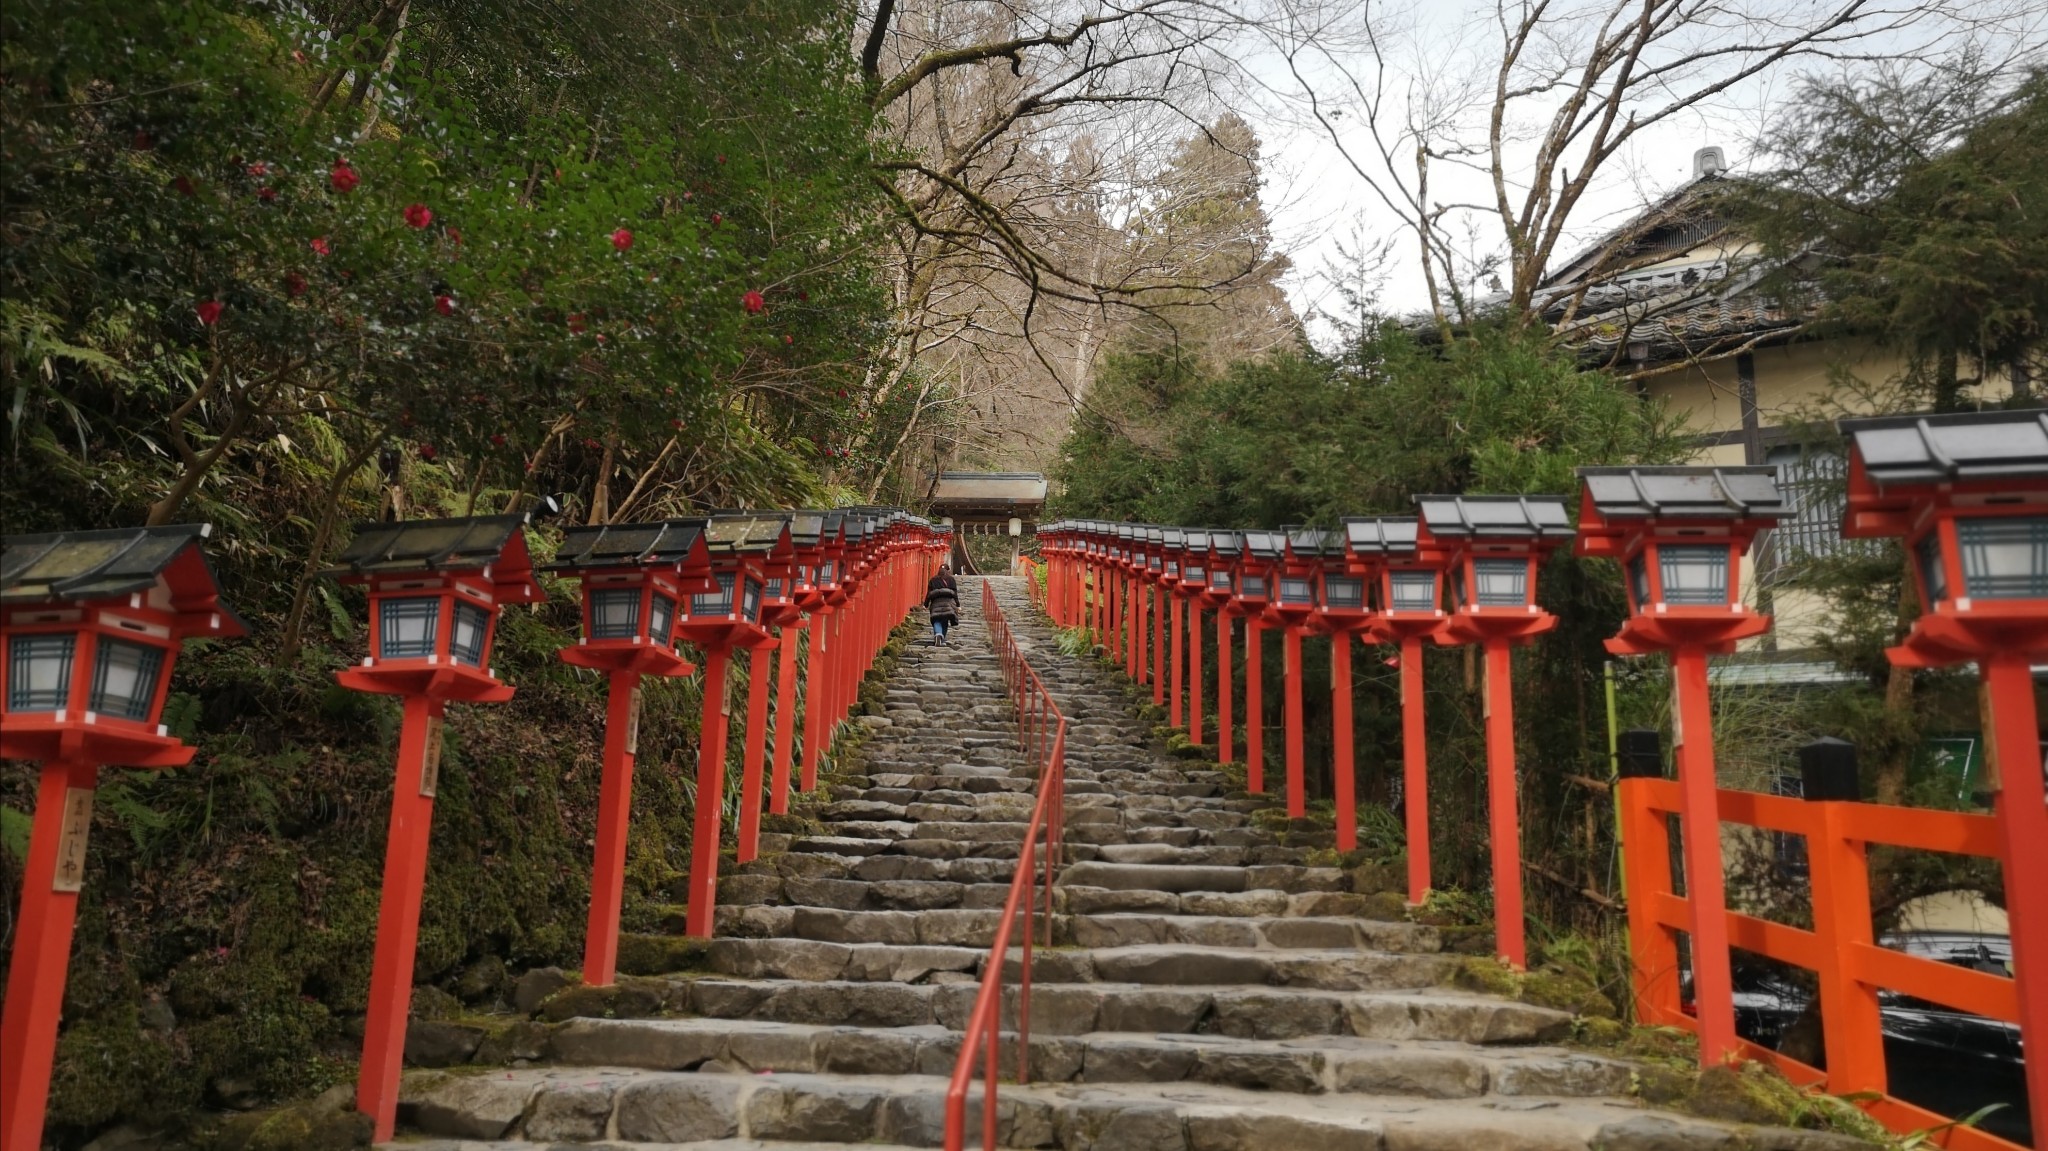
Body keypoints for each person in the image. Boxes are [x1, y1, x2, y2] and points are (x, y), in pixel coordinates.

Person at [925, 565, 960, 643]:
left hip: (935, 603)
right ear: (948, 571)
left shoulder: (933, 580)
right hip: (948, 603)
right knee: (945, 620)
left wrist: (926, 604)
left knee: (936, 619)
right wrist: (958, 605)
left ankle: (938, 634)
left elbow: (929, 594)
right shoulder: (951, 579)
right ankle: (942, 637)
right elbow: (954, 594)